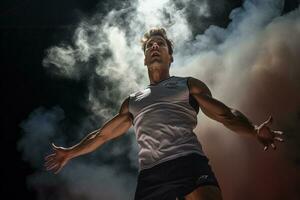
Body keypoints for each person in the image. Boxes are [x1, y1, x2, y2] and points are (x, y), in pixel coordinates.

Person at [44, 28, 284, 200]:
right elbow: (102, 135)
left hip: (189, 163)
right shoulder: (132, 101)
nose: (155, 47)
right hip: (152, 174)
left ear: (171, 56)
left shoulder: (188, 85)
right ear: (145, 58)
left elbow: (226, 115)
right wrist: (70, 153)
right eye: (150, 45)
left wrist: (253, 130)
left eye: (161, 44)